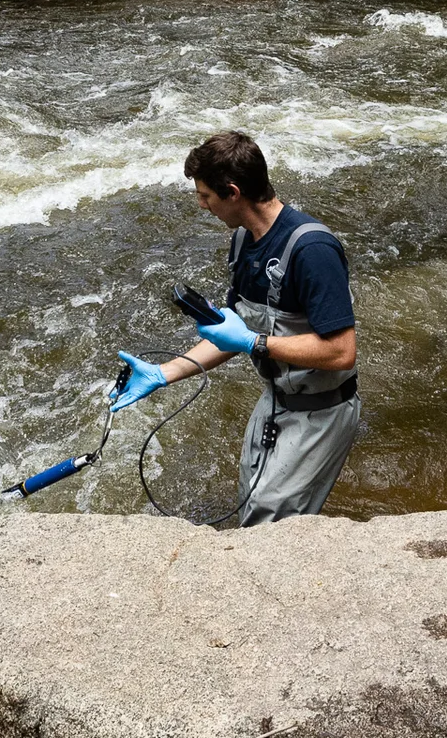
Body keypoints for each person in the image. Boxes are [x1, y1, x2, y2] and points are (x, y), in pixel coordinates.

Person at [112, 131, 360, 525]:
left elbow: (341, 352)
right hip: (276, 400)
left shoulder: (312, 250)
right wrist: (164, 373)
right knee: (251, 502)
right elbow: (233, 332)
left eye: (205, 196)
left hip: (322, 411)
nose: (201, 204)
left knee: (270, 519)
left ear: (232, 192)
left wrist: (252, 341)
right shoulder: (245, 242)